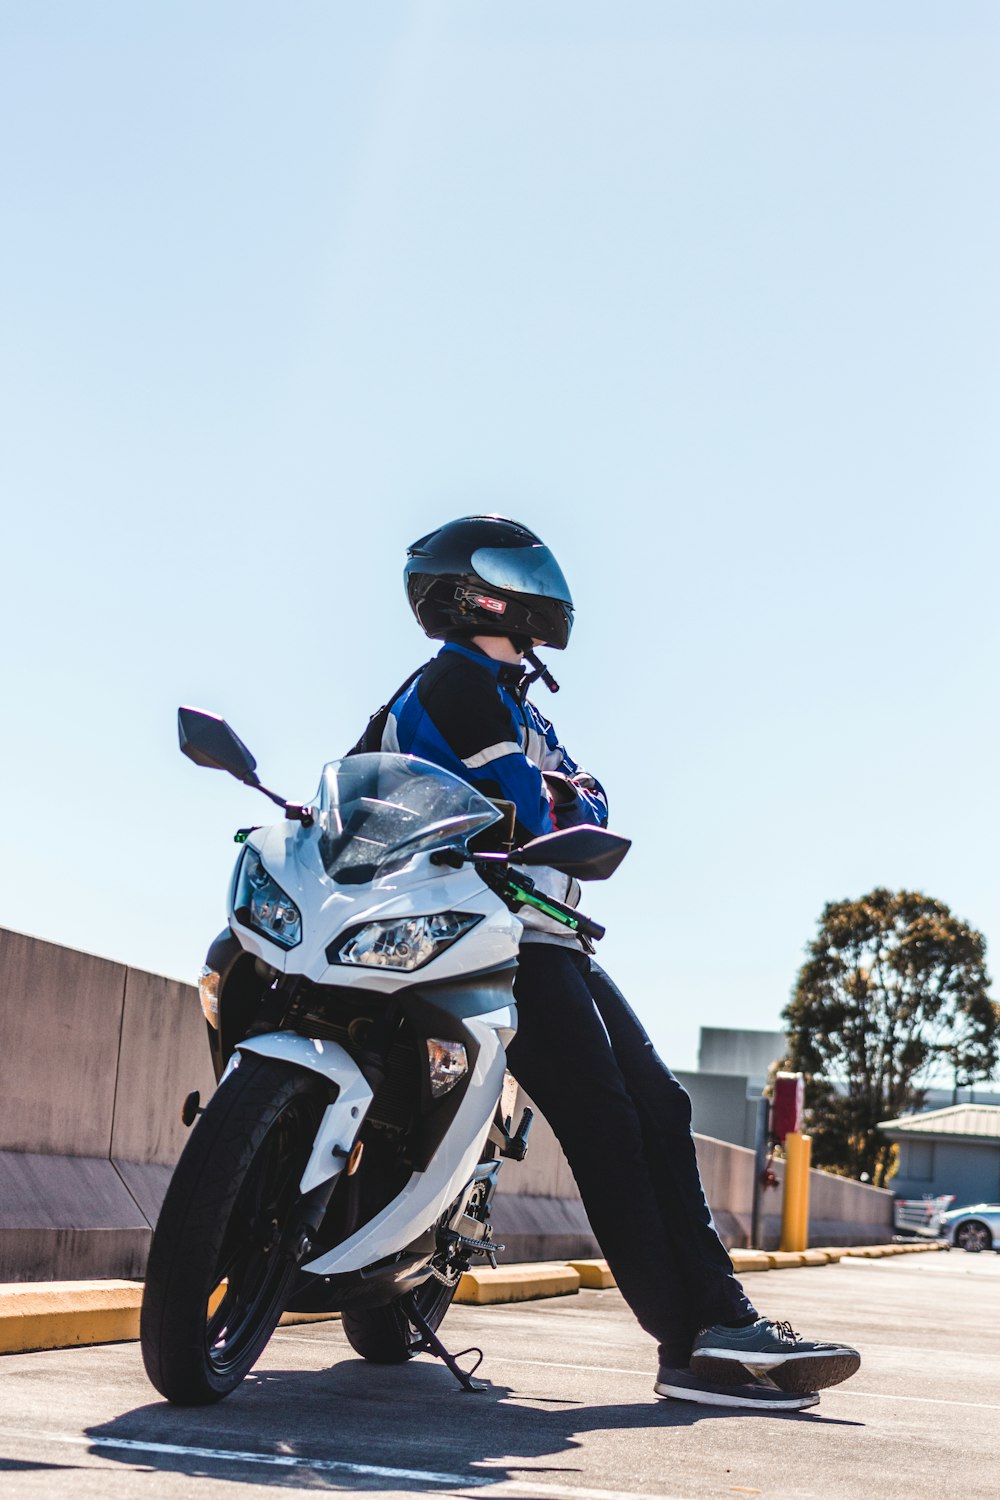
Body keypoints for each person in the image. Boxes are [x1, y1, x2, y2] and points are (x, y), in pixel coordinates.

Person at [355, 514, 860, 1410]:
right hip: (489, 938)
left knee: (655, 1104)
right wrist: (550, 798)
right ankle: (697, 1339)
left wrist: (556, 794)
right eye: (517, 574)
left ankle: (718, 1322)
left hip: (539, 935)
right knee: (607, 1124)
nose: (543, 591)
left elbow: (586, 795)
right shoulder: (454, 685)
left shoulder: (512, 699)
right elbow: (526, 809)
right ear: (474, 592)